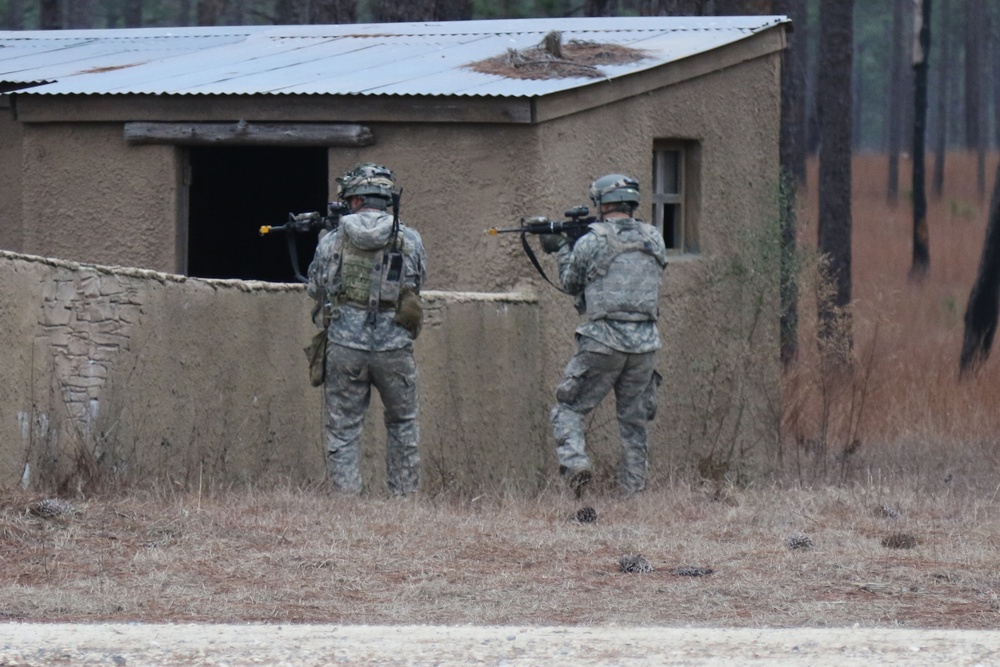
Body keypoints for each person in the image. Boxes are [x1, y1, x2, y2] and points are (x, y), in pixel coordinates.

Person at [540, 174, 668, 497]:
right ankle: (633, 493)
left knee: (568, 408)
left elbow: (570, 283)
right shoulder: (654, 238)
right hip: (644, 346)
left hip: (603, 340)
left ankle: (576, 463)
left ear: (602, 203)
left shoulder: (592, 241)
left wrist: (563, 248)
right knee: (634, 424)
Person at [306, 163, 427, 496]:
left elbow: (316, 288)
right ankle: (403, 502)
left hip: (345, 343)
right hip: (394, 347)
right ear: (386, 199)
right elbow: (417, 285)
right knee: (403, 424)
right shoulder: (409, 238)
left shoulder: (334, 239)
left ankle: (346, 504)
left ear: (355, 200)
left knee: (343, 429)